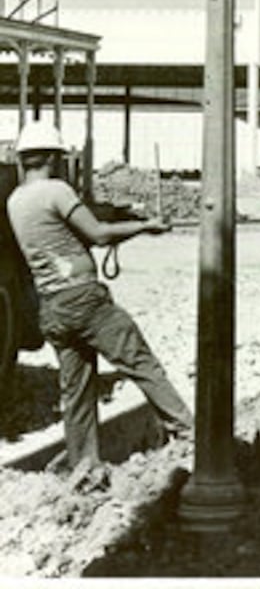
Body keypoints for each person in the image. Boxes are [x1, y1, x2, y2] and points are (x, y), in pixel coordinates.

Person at [5, 121, 193, 473]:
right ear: (52, 158)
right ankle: (190, 435)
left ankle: (85, 466)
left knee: (76, 393)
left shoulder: (16, 201)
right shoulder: (56, 190)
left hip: (52, 308)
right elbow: (100, 235)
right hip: (84, 300)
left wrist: (115, 225)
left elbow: (65, 237)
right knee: (141, 363)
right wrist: (144, 226)